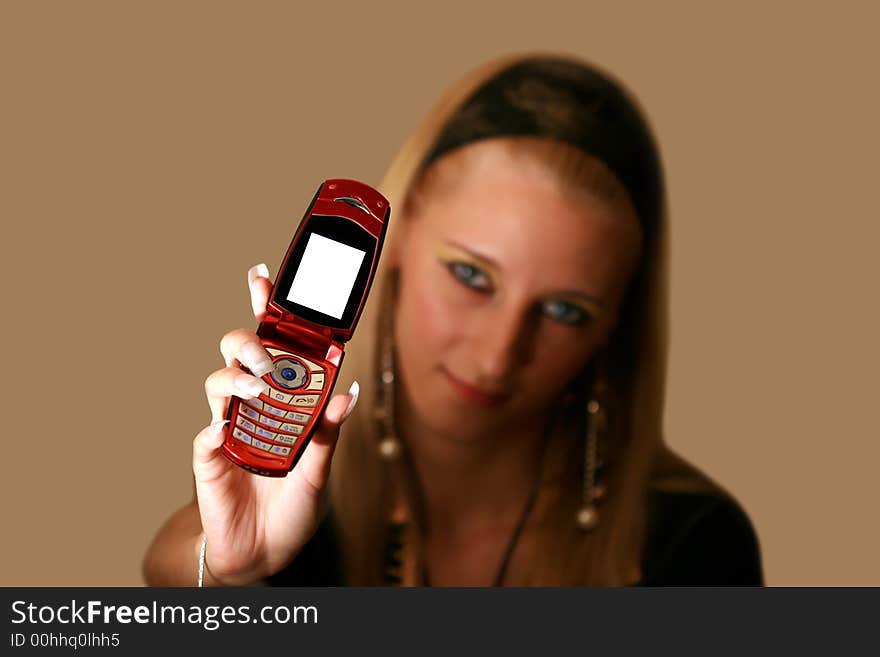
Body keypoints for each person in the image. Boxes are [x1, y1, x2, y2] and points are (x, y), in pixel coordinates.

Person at [143, 52, 763, 587]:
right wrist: (229, 568)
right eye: (471, 276)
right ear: (401, 237)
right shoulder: (298, 480)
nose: (498, 356)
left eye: (565, 311)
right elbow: (161, 572)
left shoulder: (695, 542)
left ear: (615, 326)